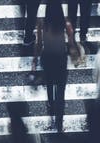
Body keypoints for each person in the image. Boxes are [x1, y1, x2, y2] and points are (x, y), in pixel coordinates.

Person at [32, 0, 79, 133]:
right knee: (61, 88)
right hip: (60, 58)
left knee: (49, 82)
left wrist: (35, 59)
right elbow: (70, 43)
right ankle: (59, 121)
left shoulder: (42, 23)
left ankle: (50, 104)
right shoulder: (65, 23)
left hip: (47, 57)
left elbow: (39, 43)